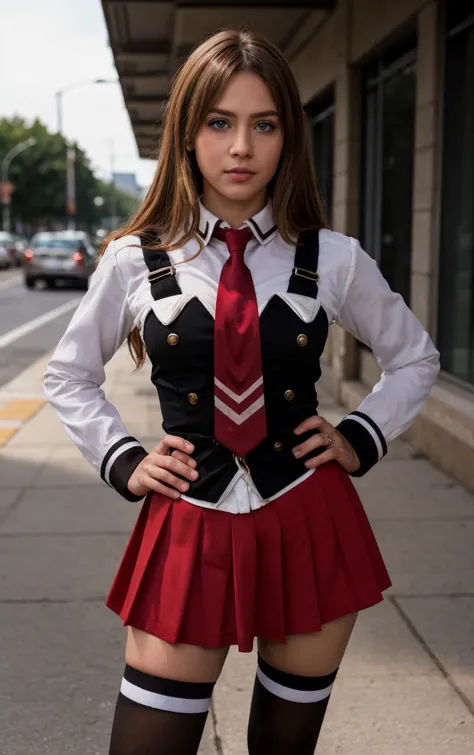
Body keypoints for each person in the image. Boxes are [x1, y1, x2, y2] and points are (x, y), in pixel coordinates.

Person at [44, 28, 440, 755]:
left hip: (309, 520)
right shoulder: (137, 257)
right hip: (188, 525)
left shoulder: (332, 256)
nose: (241, 148)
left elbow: (415, 357)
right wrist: (124, 457)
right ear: (187, 134)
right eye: (220, 122)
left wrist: (359, 435)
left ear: (288, 136)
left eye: (264, 124)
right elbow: (68, 374)